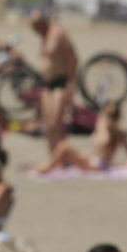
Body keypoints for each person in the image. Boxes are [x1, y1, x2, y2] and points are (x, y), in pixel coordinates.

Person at [33, 102, 127, 173]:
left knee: (64, 147)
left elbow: (102, 146)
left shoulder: (105, 130)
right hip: (99, 163)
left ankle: (43, 168)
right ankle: (47, 167)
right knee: (66, 149)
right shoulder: (117, 133)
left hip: (97, 164)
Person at [30, 11, 78, 153]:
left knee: (58, 123)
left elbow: (73, 57)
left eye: (35, 26)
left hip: (61, 82)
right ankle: (54, 156)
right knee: (49, 125)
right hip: (47, 84)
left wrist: (71, 82)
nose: (34, 30)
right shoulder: (44, 36)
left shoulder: (58, 34)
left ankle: (64, 156)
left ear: (42, 23)